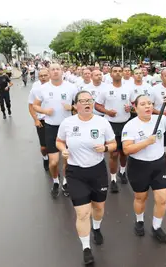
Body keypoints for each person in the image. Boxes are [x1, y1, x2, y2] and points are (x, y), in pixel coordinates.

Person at [56, 91, 117, 265]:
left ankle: (96, 228)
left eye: (89, 100)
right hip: (76, 173)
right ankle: (86, 248)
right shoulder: (67, 123)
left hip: (97, 171)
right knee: (82, 213)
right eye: (82, 101)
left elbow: (113, 144)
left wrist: (105, 148)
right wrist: (63, 149)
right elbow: (59, 141)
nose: (87, 103)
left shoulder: (102, 122)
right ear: (76, 106)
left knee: (98, 207)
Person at [122, 94, 166, 243]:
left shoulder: (159, 119)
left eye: (149, 103)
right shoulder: (131, 125)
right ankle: (140, 220)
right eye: (143, 104)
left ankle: (156, 227)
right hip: (139, 166)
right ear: (135, 108)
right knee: (140, 198)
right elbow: (127, 150)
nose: (147, 106)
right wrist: (146, 142)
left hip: (159, 165)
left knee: (162, 199)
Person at [33, 64, 77, 198]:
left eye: (58, 69)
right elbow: (35, 105)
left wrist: (72, 107)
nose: (56, 71)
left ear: (62, 71)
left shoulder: (71, 87)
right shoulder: (43, 89)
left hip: (68, 128)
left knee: (67, 160)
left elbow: (81, 104)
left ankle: (65, 182)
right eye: (53, 69)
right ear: (49, 73)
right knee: (53, 162)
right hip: (51, 127)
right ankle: (56, 180)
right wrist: (44, 111)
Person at [95, 65, 132, 192]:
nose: (117, 73)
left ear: (123, 73)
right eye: (115, 71)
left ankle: (122, 172)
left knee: (124, 152)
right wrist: (107, 111)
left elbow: (134, 104)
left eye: (119, 71)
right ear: (110, 74)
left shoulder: (128, 88)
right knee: (114, 153)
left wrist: (130, 108)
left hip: (126, 124)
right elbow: (97, 105)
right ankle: (113, 179)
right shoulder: (105, 89)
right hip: (111, 124)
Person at [28, 69, 50, 171]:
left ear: (49, 76)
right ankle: (45, 158)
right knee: (44, 147)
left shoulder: (56, 88)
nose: (43, 78)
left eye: (45, 75)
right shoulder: (35, 90)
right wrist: (36, 120)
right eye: (41, 76)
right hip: (42, 121)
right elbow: (31, 106)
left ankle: (53, 165)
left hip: (55, 121)